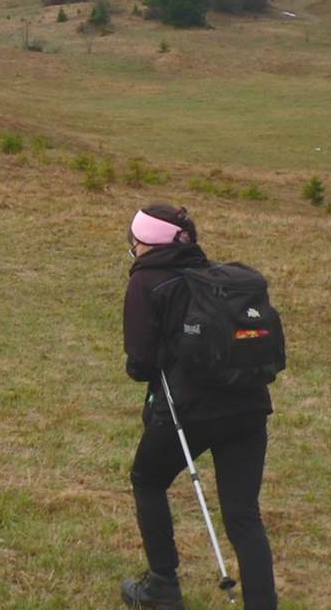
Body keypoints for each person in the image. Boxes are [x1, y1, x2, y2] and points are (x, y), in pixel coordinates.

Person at [121, 204, 277, 609]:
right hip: (250, 405)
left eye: (134, 238)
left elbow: (140, 362)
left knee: (147, 480)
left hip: (188, 410)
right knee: (243, 514)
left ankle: (162, 587)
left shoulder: (146, 281)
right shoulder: (210, 274)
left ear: (145, 242)